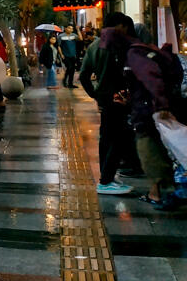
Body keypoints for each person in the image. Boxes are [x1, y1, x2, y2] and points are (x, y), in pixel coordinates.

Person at [105, 24, 186, 209]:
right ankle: (163, 190)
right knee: (165, 148)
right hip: (156, 109)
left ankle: (157, 193)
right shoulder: (149, 52)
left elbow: (151, 79)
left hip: (149, 111)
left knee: (148, 150)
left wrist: (160, 104)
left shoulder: (135, 54)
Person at [79, 12, 143, 196]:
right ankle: (106, 180)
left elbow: (84, 76)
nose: (126, 30)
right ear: (118, 26)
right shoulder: (120, 45)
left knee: (107, 138)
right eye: (124, 26)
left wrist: (96, 95)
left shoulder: (94, 46)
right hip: (120, 98)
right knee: (117, 138)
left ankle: (107, 178)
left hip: (105, 98)